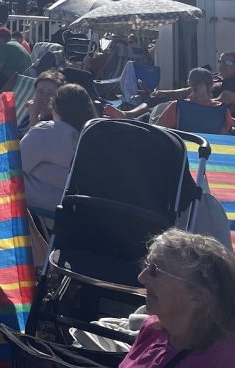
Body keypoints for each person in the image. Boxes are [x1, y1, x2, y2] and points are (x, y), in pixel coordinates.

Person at [119, 229, 235, 367]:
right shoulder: (152, 329)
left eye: (155, 271)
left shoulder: (221, 360)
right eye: (146, 265)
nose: (141, 278)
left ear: (197, 297)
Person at [20, 83, 96, 215]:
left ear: (55, 108)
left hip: (34, 215)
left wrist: (39, 171)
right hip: (68, 216)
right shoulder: (89, 137)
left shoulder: (48, 131)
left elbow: (11, 168)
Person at [155, 68, 233, 135]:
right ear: (211, 85)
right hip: (213, 150)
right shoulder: (222, 110)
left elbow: (159, 131)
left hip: (185, 150)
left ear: (189, 83)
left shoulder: (177, 106)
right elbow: (225, 134)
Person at [21, 70, 66, 135]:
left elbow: (32, 140)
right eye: (40, 91)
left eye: (51, 93)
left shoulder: (52, 125)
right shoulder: (30, 115)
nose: (44, 97)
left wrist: (33, 116)